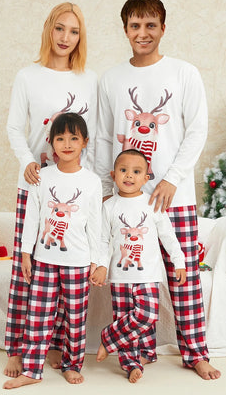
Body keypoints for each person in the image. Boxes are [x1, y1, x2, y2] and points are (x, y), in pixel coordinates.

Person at [95, 0, 221, 380]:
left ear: (163, 28)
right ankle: (137, 349)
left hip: (173, 197)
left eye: (151, 25)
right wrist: (105, 189)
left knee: (184, 279)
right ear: (125, 30)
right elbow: (102, 137)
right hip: (126, 201)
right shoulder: (111, 78)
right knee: (133, 283)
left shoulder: (184, 73)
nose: (143, 33)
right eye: (135, 25)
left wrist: (170, 178)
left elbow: (197, 129)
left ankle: (195, 353)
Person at [4, 2, 98, 378]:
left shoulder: (89, 79)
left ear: (80, 37)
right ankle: (16, 347)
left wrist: (100, 187)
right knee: (28, 273)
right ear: (49, 30)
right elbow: (14, 127)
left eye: (73, 32)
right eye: (60, 29)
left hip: (73, 188)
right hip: (36, 183)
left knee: (66, 272)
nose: (65, 38)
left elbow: (99, 132)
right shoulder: (28, 76)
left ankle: (58, 347)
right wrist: (27, 159)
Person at [3, 113, 102, 389]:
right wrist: (25, 253)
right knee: (38, 316)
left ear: (85, 142)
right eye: (60, 138)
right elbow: (31, 219)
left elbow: (95, 226)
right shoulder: (41, 177)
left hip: (78, 262)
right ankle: (32, 369)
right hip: (44, 260)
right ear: (51, 143)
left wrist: (98, 261)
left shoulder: (92, 181)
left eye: (73, 138)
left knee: (75, 317)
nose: (66, 143)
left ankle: (72, 365)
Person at [90, 149, 186, 383]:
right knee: (125, 319)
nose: (129, 176)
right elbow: (103, 240)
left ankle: (108, 337)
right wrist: (101, 265)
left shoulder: (152, 204)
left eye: (136, 171)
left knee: (146, 315)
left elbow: (168, 236)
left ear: (146, 177)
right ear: (113, 175)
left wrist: (179, 260)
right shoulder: (109, 206)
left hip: (149, 275)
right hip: (120, 276)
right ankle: (131, 364)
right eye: (123, 170)